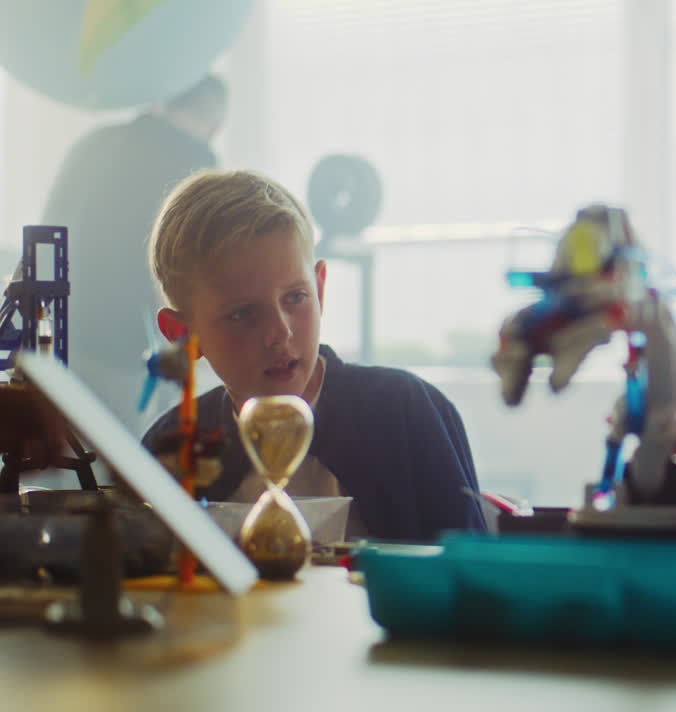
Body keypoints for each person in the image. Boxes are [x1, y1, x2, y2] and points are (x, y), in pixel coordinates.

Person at [140, 170, 485, 542]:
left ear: (320, 289)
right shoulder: (172, 448)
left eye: (295, 298)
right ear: (182, 335)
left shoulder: (406, 413)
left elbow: (470, 580)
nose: (280, 333)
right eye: (242, 314)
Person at [40, 75, 228, 434]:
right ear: (216, 123)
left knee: (74, 463)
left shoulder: (95, 142)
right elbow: (188, 262)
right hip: (129, 344)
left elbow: (48, 231)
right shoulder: (192, 160)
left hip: (61, 331)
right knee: (133, 465)